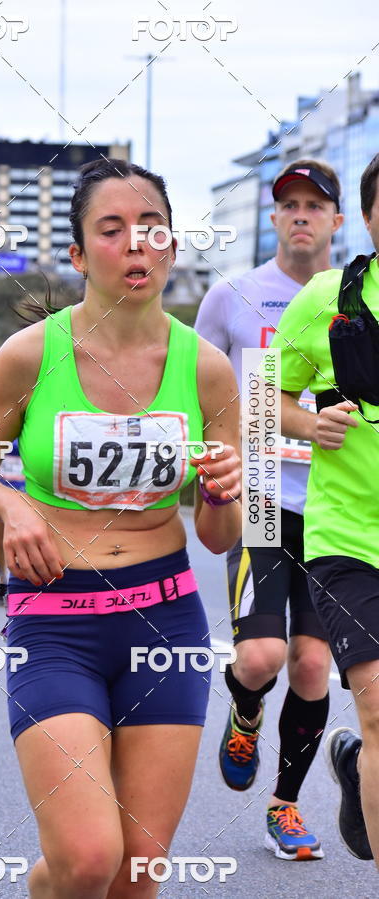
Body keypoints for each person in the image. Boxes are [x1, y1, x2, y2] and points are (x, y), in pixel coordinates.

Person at [0, 159, 242, 898]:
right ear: (79, 254)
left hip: (165, 618)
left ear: (172, 246)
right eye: (112, 231)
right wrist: (15, 506)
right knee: (85, 857)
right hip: (56, 621)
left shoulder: (208, 372)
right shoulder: (30, 356)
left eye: (151, 229)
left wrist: (220, 492)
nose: (135, 246)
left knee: (136, 873)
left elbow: (220, 533)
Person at [195, 160, 344, 860]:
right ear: (274, 217)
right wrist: (205, 458)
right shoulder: (233, 296)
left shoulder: (359, 299)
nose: (302, 215)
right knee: (262, 656)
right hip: (259, 498)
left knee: (312, 668)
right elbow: (196, 384)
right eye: (290, 204)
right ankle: (245, 705)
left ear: (337, 221)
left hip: (335, 507)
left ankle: (284, 806)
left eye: (316, 204)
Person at [269, 152, 379, 863]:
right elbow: (262, 399)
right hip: (346, 538)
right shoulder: (325, 296)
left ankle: (356, 770)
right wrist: (309, 423)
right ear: (368, 216)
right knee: (378, 706)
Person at [0, 438, 26, 602]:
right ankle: (2, 579)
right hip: (1, 489)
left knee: (21, 538)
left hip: (24, 489)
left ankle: (18, 581)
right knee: (0, 538)